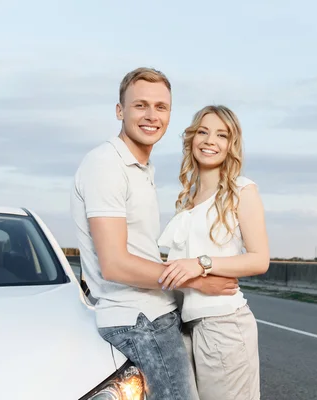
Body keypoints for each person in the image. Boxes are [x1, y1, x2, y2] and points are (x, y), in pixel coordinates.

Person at [70, 68, 239, 400]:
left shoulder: (140, 169)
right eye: (140, 106)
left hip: (151, 313)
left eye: (161, 107)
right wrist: (199, 280)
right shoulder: (107, 165)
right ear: (120, 111)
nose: (151, 116)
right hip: (139, 318)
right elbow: (115, 265)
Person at [157, 104, 270, 400]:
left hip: (225, 325)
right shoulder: (187, 199)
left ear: (231, 145)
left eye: (221, 135)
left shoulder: (242, 190)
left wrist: (201, 264)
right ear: (192, 138)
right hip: (186, 326)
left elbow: (260, 259)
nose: (210, 141)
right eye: (204, 132)